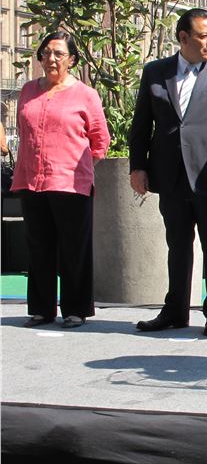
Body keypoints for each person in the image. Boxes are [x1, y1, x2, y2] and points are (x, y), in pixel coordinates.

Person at [129, 8, 207, 337]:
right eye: (204, 36)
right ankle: (175, 311)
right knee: (177, 245)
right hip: (169, 175)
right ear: (183, 38)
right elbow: (141, 124)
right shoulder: (156, 72)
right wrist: (137, 167)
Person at [11, 30, 110, 328]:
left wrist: (77, 167)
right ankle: (41, 309)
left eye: (58, 54)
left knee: (73, 248)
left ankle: (75, 309)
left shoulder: (86, 95)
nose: (51, 58)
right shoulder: (28, 91)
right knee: (39, 246)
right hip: (32, 180)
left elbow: (100, 140)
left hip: (70, 183)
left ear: (72, 60)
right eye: (46, 52)